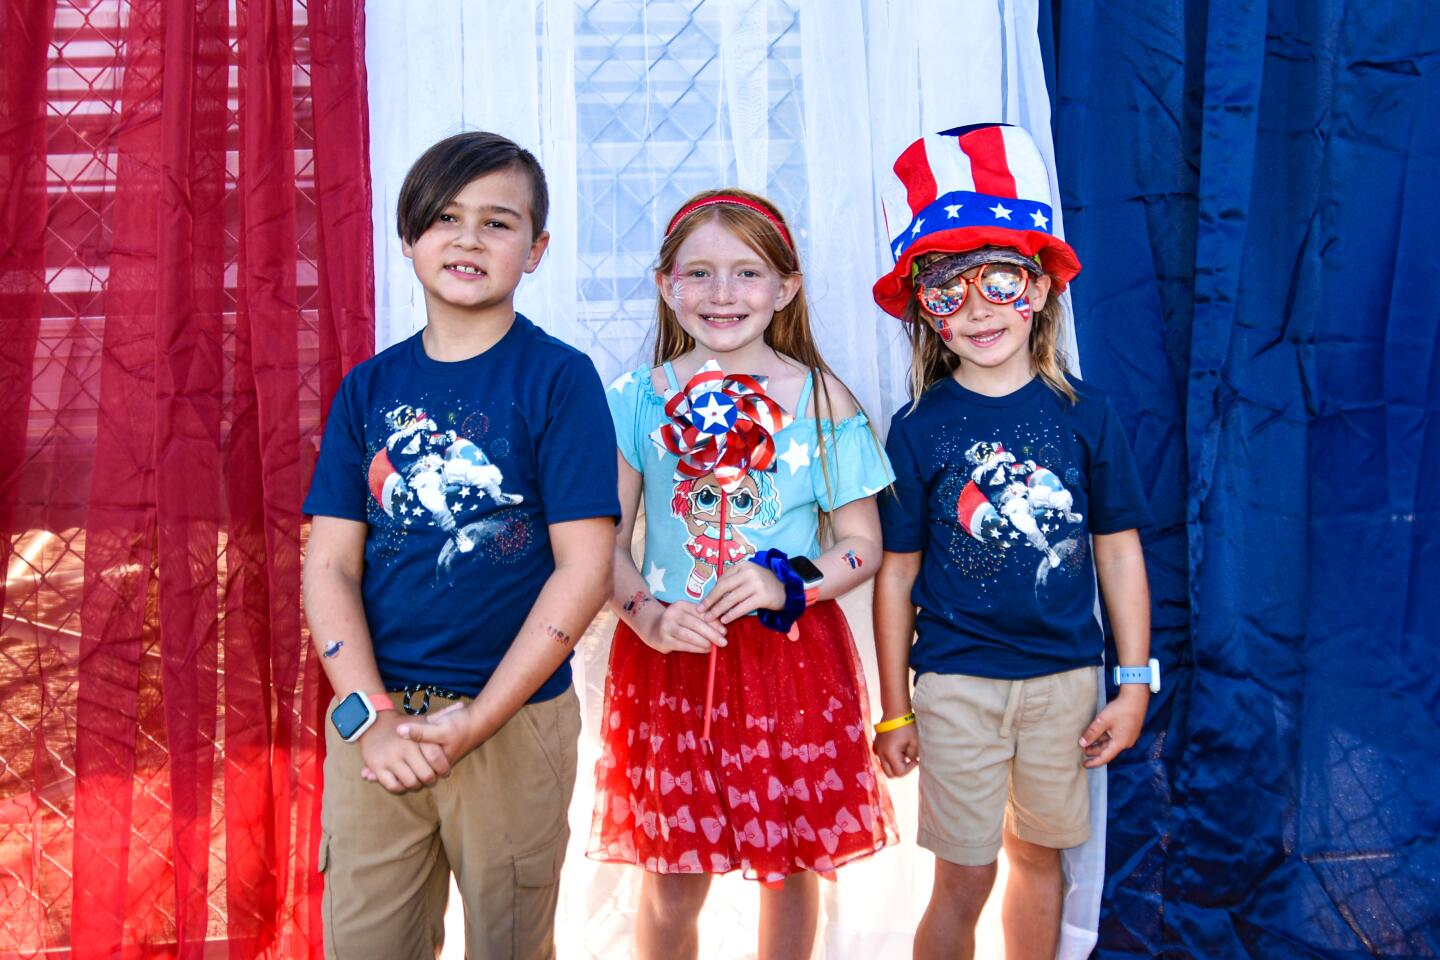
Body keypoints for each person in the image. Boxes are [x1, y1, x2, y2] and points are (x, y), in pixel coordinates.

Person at [301, 131, 619, 960]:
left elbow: (584, 569)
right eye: (445, 217)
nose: (469, 238)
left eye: (498, 222)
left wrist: (480, 717)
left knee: (510, 944)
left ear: (537, 248)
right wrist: (364, 714)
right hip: (375, 721)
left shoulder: (559, 378)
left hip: (513, 720)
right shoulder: (367, 388)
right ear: (408, 237)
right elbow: (330, 565)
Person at [869, 123, 1156, 960]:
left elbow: (1117, 552)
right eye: (947, 288)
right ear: (924, 308)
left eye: (999, 277)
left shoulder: (1085, 413)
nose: (979, 307)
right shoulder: (918, 428)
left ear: (1038, 285)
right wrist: (894, 708)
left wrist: (1131, 683)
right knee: (964, 876)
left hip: (1067, 683)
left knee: (1041, 862)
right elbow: (896, 577)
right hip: (957, 685)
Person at [589, 189, 898, 960]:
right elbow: (605, 543)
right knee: (670, 871)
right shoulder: (635, 400)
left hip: (790, 665)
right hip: (670, 660)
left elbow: (863, 545)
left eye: (747, 273)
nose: (722, 293)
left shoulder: (824, 399)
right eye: (698, 273)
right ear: (666, 285)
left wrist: (787, 581)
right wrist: (645, 616)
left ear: (785, 287)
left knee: (790, 867)